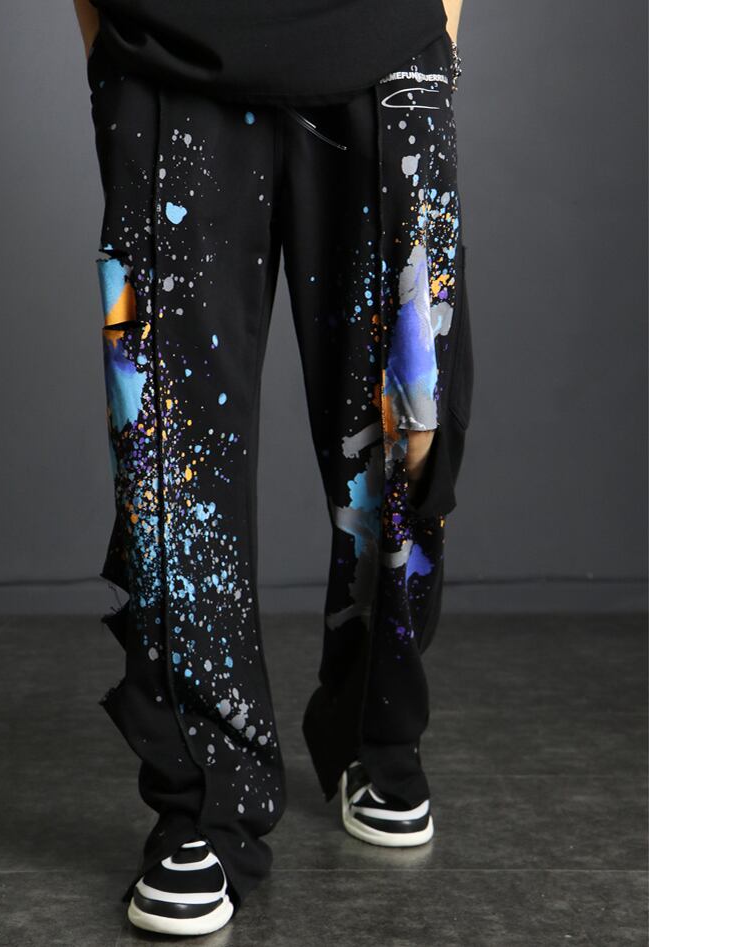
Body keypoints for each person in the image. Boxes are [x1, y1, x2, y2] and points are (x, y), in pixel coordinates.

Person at [73, 0, 472, 935]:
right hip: (169, 55)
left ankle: (378, 726)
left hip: (386, 51)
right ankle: (201, 801)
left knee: (405, 430)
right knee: (170, 457)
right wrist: (112, 54)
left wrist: (434, 27)